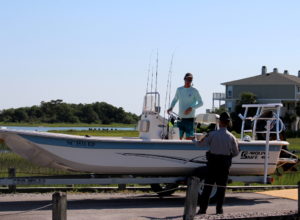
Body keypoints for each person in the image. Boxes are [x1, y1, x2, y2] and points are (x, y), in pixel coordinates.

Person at [196, 112, 239, 215]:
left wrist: (194, 141)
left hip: (212, 164)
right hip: (224, 165)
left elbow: (200, 144)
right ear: (228, 123)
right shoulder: (232, 137)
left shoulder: (212, 134)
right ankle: (219, 210)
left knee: (208, 187)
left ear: (219, 122)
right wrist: (227, 157)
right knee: (221, 188)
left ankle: (203, 210)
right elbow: (236, 152)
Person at [167, 73, 203, 139]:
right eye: (188, 79)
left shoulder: (194, 91)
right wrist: (171, 107)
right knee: (178, 138)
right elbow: (175, 99)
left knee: (189, 139)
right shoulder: (179, 90)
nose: (189, 81)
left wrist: (191, 108)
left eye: (190, 80)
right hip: (180, 119)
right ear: (184, 79)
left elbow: (201, 103)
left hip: (190, 119)